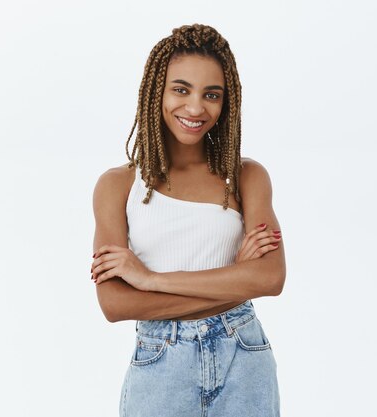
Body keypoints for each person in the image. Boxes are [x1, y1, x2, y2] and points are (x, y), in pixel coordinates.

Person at [91, 23, 285, 417]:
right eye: (181, 89)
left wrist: (151, 281)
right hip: (161, 361)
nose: (196, 108)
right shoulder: (118, 186)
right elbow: (114, 303)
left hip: (243, 356)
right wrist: (234, 277)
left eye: (211, 95)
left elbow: (270, 278)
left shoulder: (247, 177)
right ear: (156, 92)